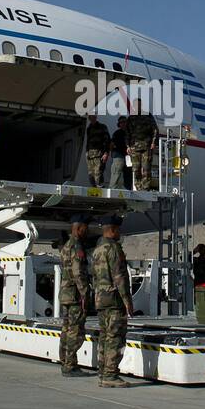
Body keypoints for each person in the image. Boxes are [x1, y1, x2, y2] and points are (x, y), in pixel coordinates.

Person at [91, 215, 133, 387]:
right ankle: (110, 375)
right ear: (113, 229)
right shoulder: (113, 249)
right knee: (115, 337)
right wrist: (127, 300)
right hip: (114, 300)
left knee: (104, 336)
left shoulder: (97, 249)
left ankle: (103, 372)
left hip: (101, 299)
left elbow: (94, 276)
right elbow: (119, 276)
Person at [59, 216, 94, 376]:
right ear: (79, 228)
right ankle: (70, 365)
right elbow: (78, 272)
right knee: (75, 331)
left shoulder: (66, 245)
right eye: (85, 228)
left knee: (66, 329)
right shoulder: (76, 246)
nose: (87, 231)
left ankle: (65, 361)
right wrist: (85, 294)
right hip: (75, 296)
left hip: (66, 294)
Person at [126, 102, 159, 190]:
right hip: (134, 147)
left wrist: (153, 142)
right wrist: (127, 146)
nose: (137, 106)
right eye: (136, 105)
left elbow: (155, 129)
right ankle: (138, 187)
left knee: (146, 169)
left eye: (139, 104)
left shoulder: (147, 115)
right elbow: (127, 132)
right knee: (136, 169)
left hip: (146, 146)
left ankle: (145, 188)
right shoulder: (131, 118)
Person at [85, 116, 111, 188]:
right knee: (91, 174)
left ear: (96, 117)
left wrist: (106, 153)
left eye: (93, 116)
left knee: (98, 172)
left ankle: (100, 188)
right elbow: (88, 141)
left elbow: (107, 140)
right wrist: (86, 151)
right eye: (90, 117)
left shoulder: (102, 127)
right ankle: (94, 189)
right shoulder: (89, 128)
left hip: (99, 153)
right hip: (90, 154)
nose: (91, 118)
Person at [107, 117, 129, 188]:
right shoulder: (117, 133)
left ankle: (127, 190)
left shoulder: (129, 133)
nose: (123, 124)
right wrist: (110, 153)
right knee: (116, 172)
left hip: (128, 157)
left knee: (127, 174)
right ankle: (112, 189)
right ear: (119, 124)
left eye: (125, 122)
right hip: (118, 155)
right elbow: (111, 144)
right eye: (121, 122)